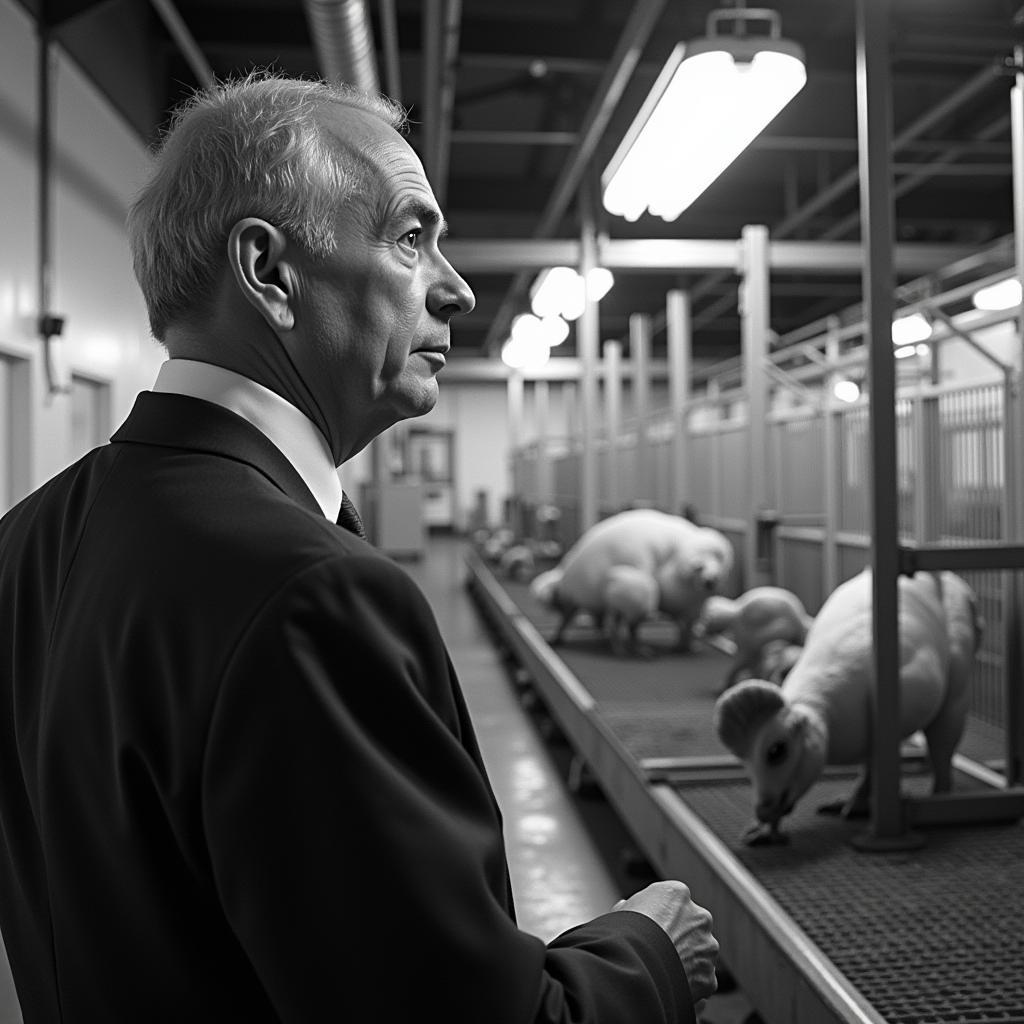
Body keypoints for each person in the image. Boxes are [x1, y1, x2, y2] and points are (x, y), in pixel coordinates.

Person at [0, 74, 718, 1022]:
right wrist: (648, 956)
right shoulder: (310, 595)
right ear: (269, 271)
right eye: (411, 238)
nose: (456, 290)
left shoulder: (28, 539)